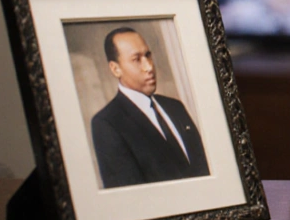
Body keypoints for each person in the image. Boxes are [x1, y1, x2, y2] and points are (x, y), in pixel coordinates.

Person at [90, 28, 210, 188]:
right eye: (136, 59)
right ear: (115, 69)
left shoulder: (175, 107)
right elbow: (129, 197)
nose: (149, 67)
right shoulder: (107, 123)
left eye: (148, 55)